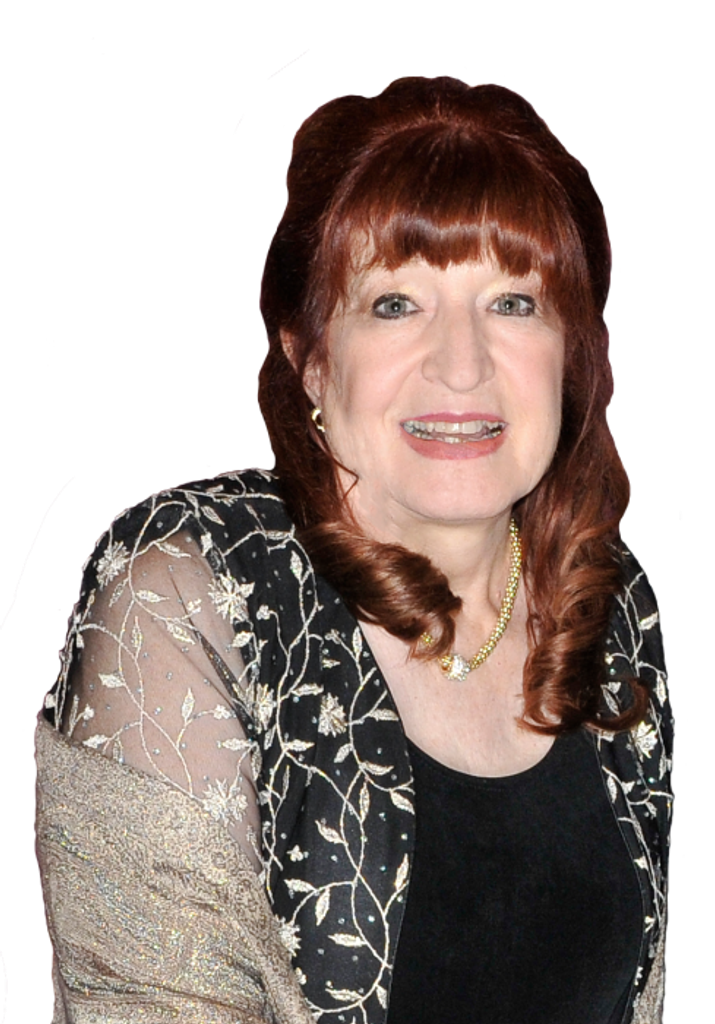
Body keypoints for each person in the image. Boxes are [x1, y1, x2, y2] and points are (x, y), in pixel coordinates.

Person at [34, 77, 673, 1024]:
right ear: (309, 358)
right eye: (394, 304)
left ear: (570, 357)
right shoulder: (190, 589)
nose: (462, 365)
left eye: (511, 302)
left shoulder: (608, 605)